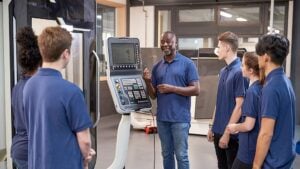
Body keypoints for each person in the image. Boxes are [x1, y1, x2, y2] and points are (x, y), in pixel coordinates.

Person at [23, 26, 95, 169]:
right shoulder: (72, 92)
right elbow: (85, 140)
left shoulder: (29, 86)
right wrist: (86, 157)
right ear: (66, 53)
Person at [143, 31, 200, 169]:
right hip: (162, 119)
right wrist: (148, 81)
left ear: (176, 44)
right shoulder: (157, 67)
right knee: (166, 154)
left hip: (180, 119)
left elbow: (196, 90)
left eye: (169, 42)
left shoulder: (187, 64)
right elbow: (153, 95)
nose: (165, 44)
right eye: (163, 42)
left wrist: (172, 88)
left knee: (181, 155)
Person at [252, 33, 296, 169]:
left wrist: (256, 165)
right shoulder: (285, 80)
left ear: (265, 57)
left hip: (274, 162)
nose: (257, 58)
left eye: (259, 54)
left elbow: (266, 134)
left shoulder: (271, 88)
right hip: (284, 157)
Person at [207, 31, 247, 169]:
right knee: (221, 166)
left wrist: (227, 133)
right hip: (218, 129)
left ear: (228, 48)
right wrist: (212, 126)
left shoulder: (239, 72)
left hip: (231, 134)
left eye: (219, 46)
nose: (217, 50)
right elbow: (219, 102)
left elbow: (239, 106)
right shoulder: (223, 71)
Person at [10, 27, 41, 169]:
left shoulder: (17, 87)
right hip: (32, 151)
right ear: (40, 61)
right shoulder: (37, 88)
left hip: (18, 150)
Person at [227, 52, 263, 169]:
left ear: (251, 70)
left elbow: (248, 125)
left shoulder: (252, 92)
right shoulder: (261, 88)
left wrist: (234, 127)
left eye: (242, 65)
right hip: (255, 147)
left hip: (247, 152)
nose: (241, 68)